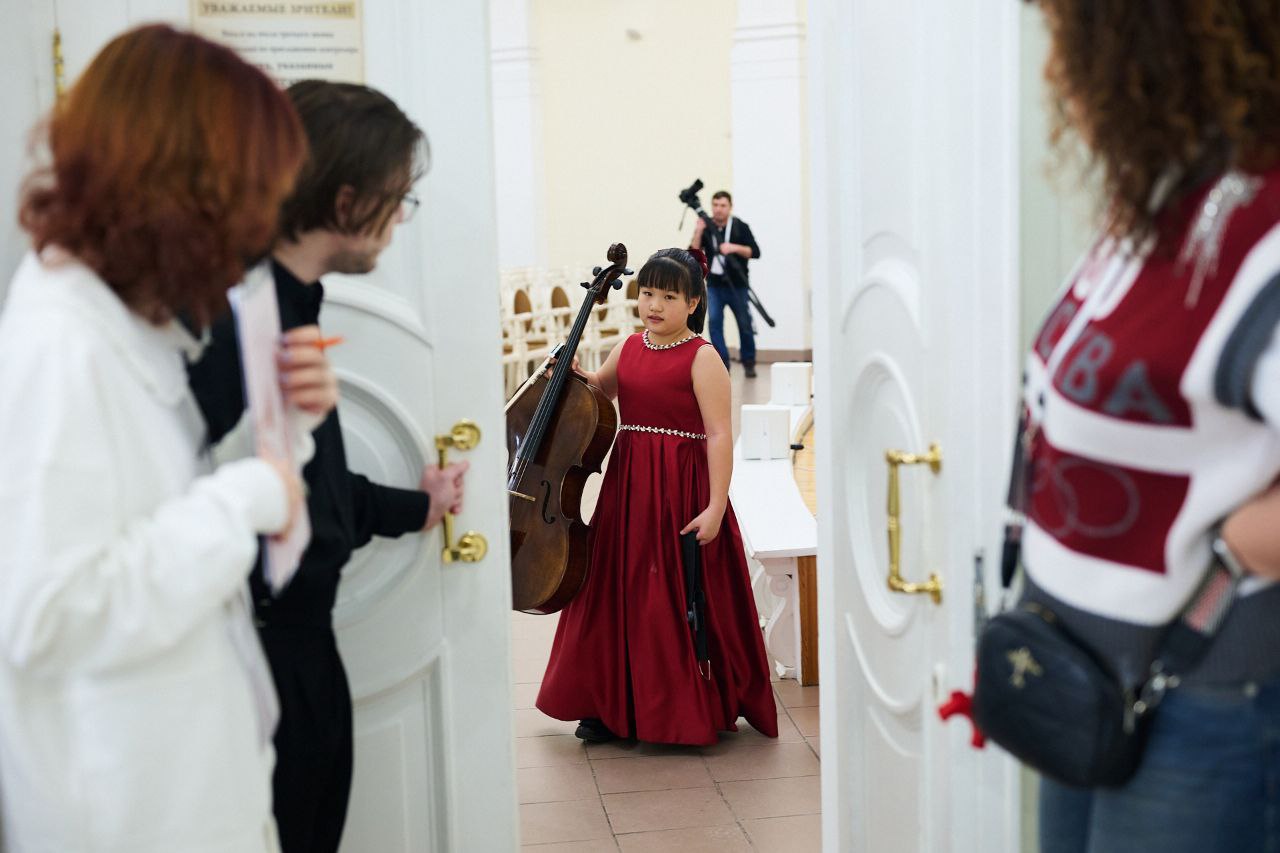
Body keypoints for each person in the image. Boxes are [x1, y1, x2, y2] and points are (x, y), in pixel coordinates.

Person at [0, 25, 328, 852]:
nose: (257, 234)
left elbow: (155, 514)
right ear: (182, 192)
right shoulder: (60, 345)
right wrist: (248, 496)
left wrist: (290, 430)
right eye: (250, 201)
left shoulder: (123, 326)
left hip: (189, 789)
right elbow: (51, 614)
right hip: (126, 813)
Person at [1016, 2, 1280, 850]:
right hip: (1082, 674)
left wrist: (1236, 548)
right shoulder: (1165, 197)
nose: (1056, 69)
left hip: (1203, 696)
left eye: (1069, 36)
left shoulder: (1267, 227)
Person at [186, 80, 467, 853]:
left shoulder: (289, 302)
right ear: (346, 203)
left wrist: (418, 506)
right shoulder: (236, 316)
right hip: (261, 655)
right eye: (397, 198)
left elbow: (308, 478)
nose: (400, 219)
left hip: (302, 648)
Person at [536, 248, 777, 745]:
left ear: (692, 303)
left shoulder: (703, 357)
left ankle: (677, 708)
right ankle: (608, 704)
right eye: (647, 293)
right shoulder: (628, 346)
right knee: (616, 588)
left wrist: (715, 505)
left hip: (681, 489)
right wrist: (571, 372)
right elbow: (600, 390)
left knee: (670, 594)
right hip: (628, 487)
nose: (654, 305)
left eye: (669, 296)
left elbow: (719, 434)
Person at [690, 191, 762, 377]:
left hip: (737, 285)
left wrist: (733, 247)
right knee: (714, 322)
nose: (718, 209)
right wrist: (698, 230)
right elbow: (693, 253)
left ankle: (748, 362)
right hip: (714, 284)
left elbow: (755, 252)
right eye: (715, 205)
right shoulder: (707, 227)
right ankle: (722, 363)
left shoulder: (739, 226)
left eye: (722, 205)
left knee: (744, 324)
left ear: (730, 207)